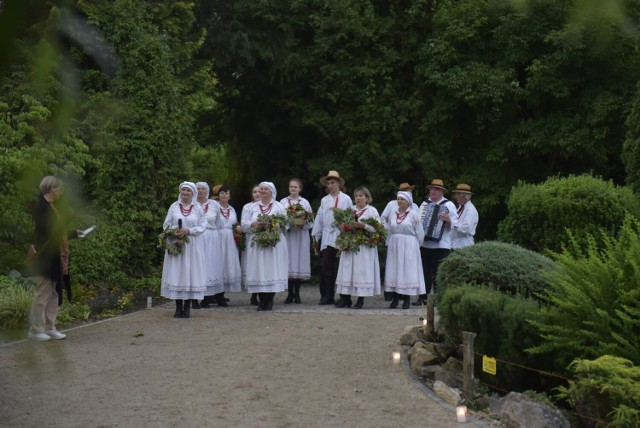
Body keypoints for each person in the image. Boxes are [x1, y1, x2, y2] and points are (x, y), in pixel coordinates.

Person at [28, 176, 80, 341]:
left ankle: (50, 327)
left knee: (54, 292)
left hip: (56, 255)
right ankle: (36, 330)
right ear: (52, 188)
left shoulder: (53, 206)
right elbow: (49, 231)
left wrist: (74, 234)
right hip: (46, 256)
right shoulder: (42, 207)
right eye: (60, 189)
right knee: (43, 292)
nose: (61, 192)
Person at [161, 181, 207, 318]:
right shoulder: (174, 207)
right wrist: (173, 232)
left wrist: (189, 230)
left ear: (193, 193)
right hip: (176, 244)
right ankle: (177, 306)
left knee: (189, 273)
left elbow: (203, 225)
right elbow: (166, 224)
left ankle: (187, 307)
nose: (185, 193)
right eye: (183, 190)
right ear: (180, 192)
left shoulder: (197, 207)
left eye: (188, 191)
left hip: (192, 246)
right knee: (178, 273)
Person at [241, 182, 288, 311]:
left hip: (273, 244)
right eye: (261, 189)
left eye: (265, 189)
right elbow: (243, 225)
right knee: (259, 271)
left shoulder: (278, 206)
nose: (262, 191)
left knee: (271, 270)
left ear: (271, 191)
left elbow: (286, 224)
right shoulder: (252, 208)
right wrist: (253, 224)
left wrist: (275, 226)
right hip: (257, 244)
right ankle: (262, 301)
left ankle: (269, 301)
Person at [334, 186, 381, 309]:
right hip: (351, 245)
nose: (358, 198)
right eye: (356, 196)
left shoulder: (372, 211)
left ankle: (360, 300)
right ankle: (345, 298)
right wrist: (344, 227)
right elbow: (342, 226)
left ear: (367, 197)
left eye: (361, 196)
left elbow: (378, 229)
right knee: (347, 270)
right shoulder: (350, 210)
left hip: (364, 247)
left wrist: (364, 226)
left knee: (361, 272)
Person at [311, 170, 353, 305]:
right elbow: (319, 218)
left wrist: (347, 233)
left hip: (341, 235)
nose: (330, 186)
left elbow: (349, 216)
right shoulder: (325, 200)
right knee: (326, 267)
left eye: (333, 183)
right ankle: (327, 296)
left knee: (342, 266)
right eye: (328, 183)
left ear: (339, 183)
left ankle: (344, 296)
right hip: (328, 235)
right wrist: (316, 235)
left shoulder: (346, 199)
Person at [414, 179, 458, 305]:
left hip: (441, 245)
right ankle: (422, 298)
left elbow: (457, 224)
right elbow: (418, 221)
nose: (432, 191)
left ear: (441, 191)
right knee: (423, 272)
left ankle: (439, 299)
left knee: (438, 273)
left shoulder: (448, 205)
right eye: (431, 189)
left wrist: (448, 220)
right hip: (425, 244)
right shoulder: (424, 204)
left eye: (435, 189)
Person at [384, 191, 426, 309]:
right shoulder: (393, 214)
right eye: (398, 199)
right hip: (394, 245)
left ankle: (406, 299)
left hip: (409, 245)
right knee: (395, 270)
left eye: (402, 199)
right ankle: (395, 299)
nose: (399, 201)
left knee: (407, 271)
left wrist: (415, 246)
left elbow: (420, 233)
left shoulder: (413, 214)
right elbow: (389, 229)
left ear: (408, 201)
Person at [280, 178, 313, 304]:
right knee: (289, 262)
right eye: (291, 187)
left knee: (298, 262)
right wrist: (288, 225)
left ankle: (297, 294)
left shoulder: (304, 202)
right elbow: (279, 219)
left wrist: (301, 224)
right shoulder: (283, 202)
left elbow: (310, 221)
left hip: (300, 236)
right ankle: (290, 294)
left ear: (300, 189)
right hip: (288, 236)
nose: (293, 189)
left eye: (295, 187)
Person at [195, 182, 224, 308]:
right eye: (198, 189)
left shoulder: (214, 205)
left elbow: (219, 222)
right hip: (197, 238)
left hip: (211, 238)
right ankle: (194, 298)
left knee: (210, 267)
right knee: (197, 266)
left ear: (207, 191)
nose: (201, 191)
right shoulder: (192, 204)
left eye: (203, 189)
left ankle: (207, 298)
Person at [216, 185, 242, 298]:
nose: (224, 195)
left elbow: (235, 224)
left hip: (230, 240)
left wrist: (238, 231)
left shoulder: (232, 209)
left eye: (226, 193)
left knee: (227, 265)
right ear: (218, 195)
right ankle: (214, 294)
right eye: (221, 193)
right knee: (217, 264)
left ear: (230, 196)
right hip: (218, 238)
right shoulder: (214, 207)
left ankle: (221, 295)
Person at [240, 184, 261, 306]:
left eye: (259, 191)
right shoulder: (247, 207)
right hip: (251, 239)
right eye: (255, 192)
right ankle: (253, 294)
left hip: (264, 240)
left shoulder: (267, 206)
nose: (257, 194)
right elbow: (244, 224)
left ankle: (262, 292)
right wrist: (252, 225)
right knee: (252, 266)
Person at [446, 183, 479, 250]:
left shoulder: (471, 210)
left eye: (457, 194)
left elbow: (466, 228)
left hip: (464, 245)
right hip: (456, 244)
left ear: (463, 196)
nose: (455, 197)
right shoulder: (461, 208)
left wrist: (450, 221)